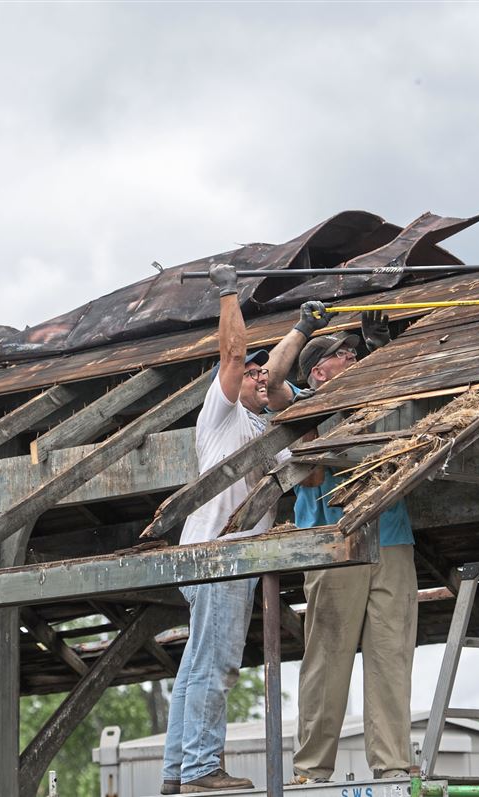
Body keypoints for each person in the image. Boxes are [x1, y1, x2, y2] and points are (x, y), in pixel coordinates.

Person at [264, 302, 417, 784]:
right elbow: (269, 382)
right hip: (334, 542)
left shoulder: (373, 393)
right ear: (316, 371)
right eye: (341, 355)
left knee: (391, 655)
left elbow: (409, 389)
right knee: (328, 657)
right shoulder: (302, 402)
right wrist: (306, 328)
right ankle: (312, 770)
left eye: (354, 354)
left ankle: (392, 764)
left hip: (391, 537)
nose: (350, 360)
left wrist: (381, 350)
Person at [160, 263, 293, 794]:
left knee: (195, 668)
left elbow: (281, 384)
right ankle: (199, 769)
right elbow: (235, 355)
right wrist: (230, 292)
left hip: (212, 556)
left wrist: (303, 331)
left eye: (267, 374)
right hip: (219, 555)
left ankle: (178, 771)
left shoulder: (271, 434)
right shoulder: (225, 414)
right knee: (215, 666)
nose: (260, 378)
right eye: (254, 374)